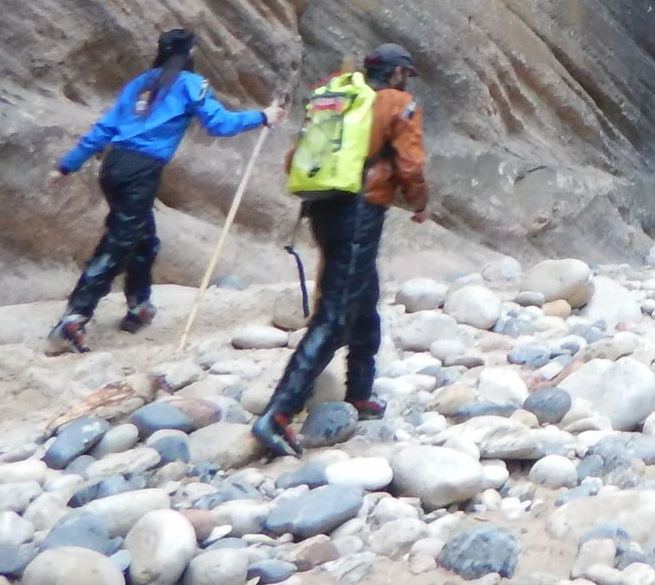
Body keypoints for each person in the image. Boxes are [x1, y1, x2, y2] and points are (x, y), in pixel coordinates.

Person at [46, 28, 276, 353]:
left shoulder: (140, 84)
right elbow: (219, 124)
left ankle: (139, 306)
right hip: (141, 170)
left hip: (113, 167)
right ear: (188, 55)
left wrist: (67, 165)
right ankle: (75, 318)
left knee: (143, 238)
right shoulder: (190, 84)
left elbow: (105, 128)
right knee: (118, 244)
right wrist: (262, 117)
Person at [253, 44, 429, 456]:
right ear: (399, 73)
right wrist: (419, 203)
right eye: (406, 74)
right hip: (360, 209)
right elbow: (411, 164)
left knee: (364, 298)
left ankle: (360, 394)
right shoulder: (396, 103)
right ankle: (278, 413)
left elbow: (295, 157)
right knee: (334, 315)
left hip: (322, 205)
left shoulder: (336, 96)